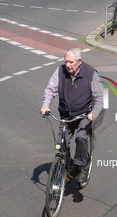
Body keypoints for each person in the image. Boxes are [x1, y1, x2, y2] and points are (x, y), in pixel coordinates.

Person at [40, 48, 104, 183]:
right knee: (61, 143)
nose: (67, 65)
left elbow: (99, 97)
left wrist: (94, 113)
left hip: (84, 114)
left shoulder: (91, 73)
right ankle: (68, 167)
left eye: (71, 62)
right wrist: (45, 105)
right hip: (66, 114)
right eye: (66, 62)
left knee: (81, 137)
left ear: (79, 62)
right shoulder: (60, 71)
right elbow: (50, 89)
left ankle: (82, 166)